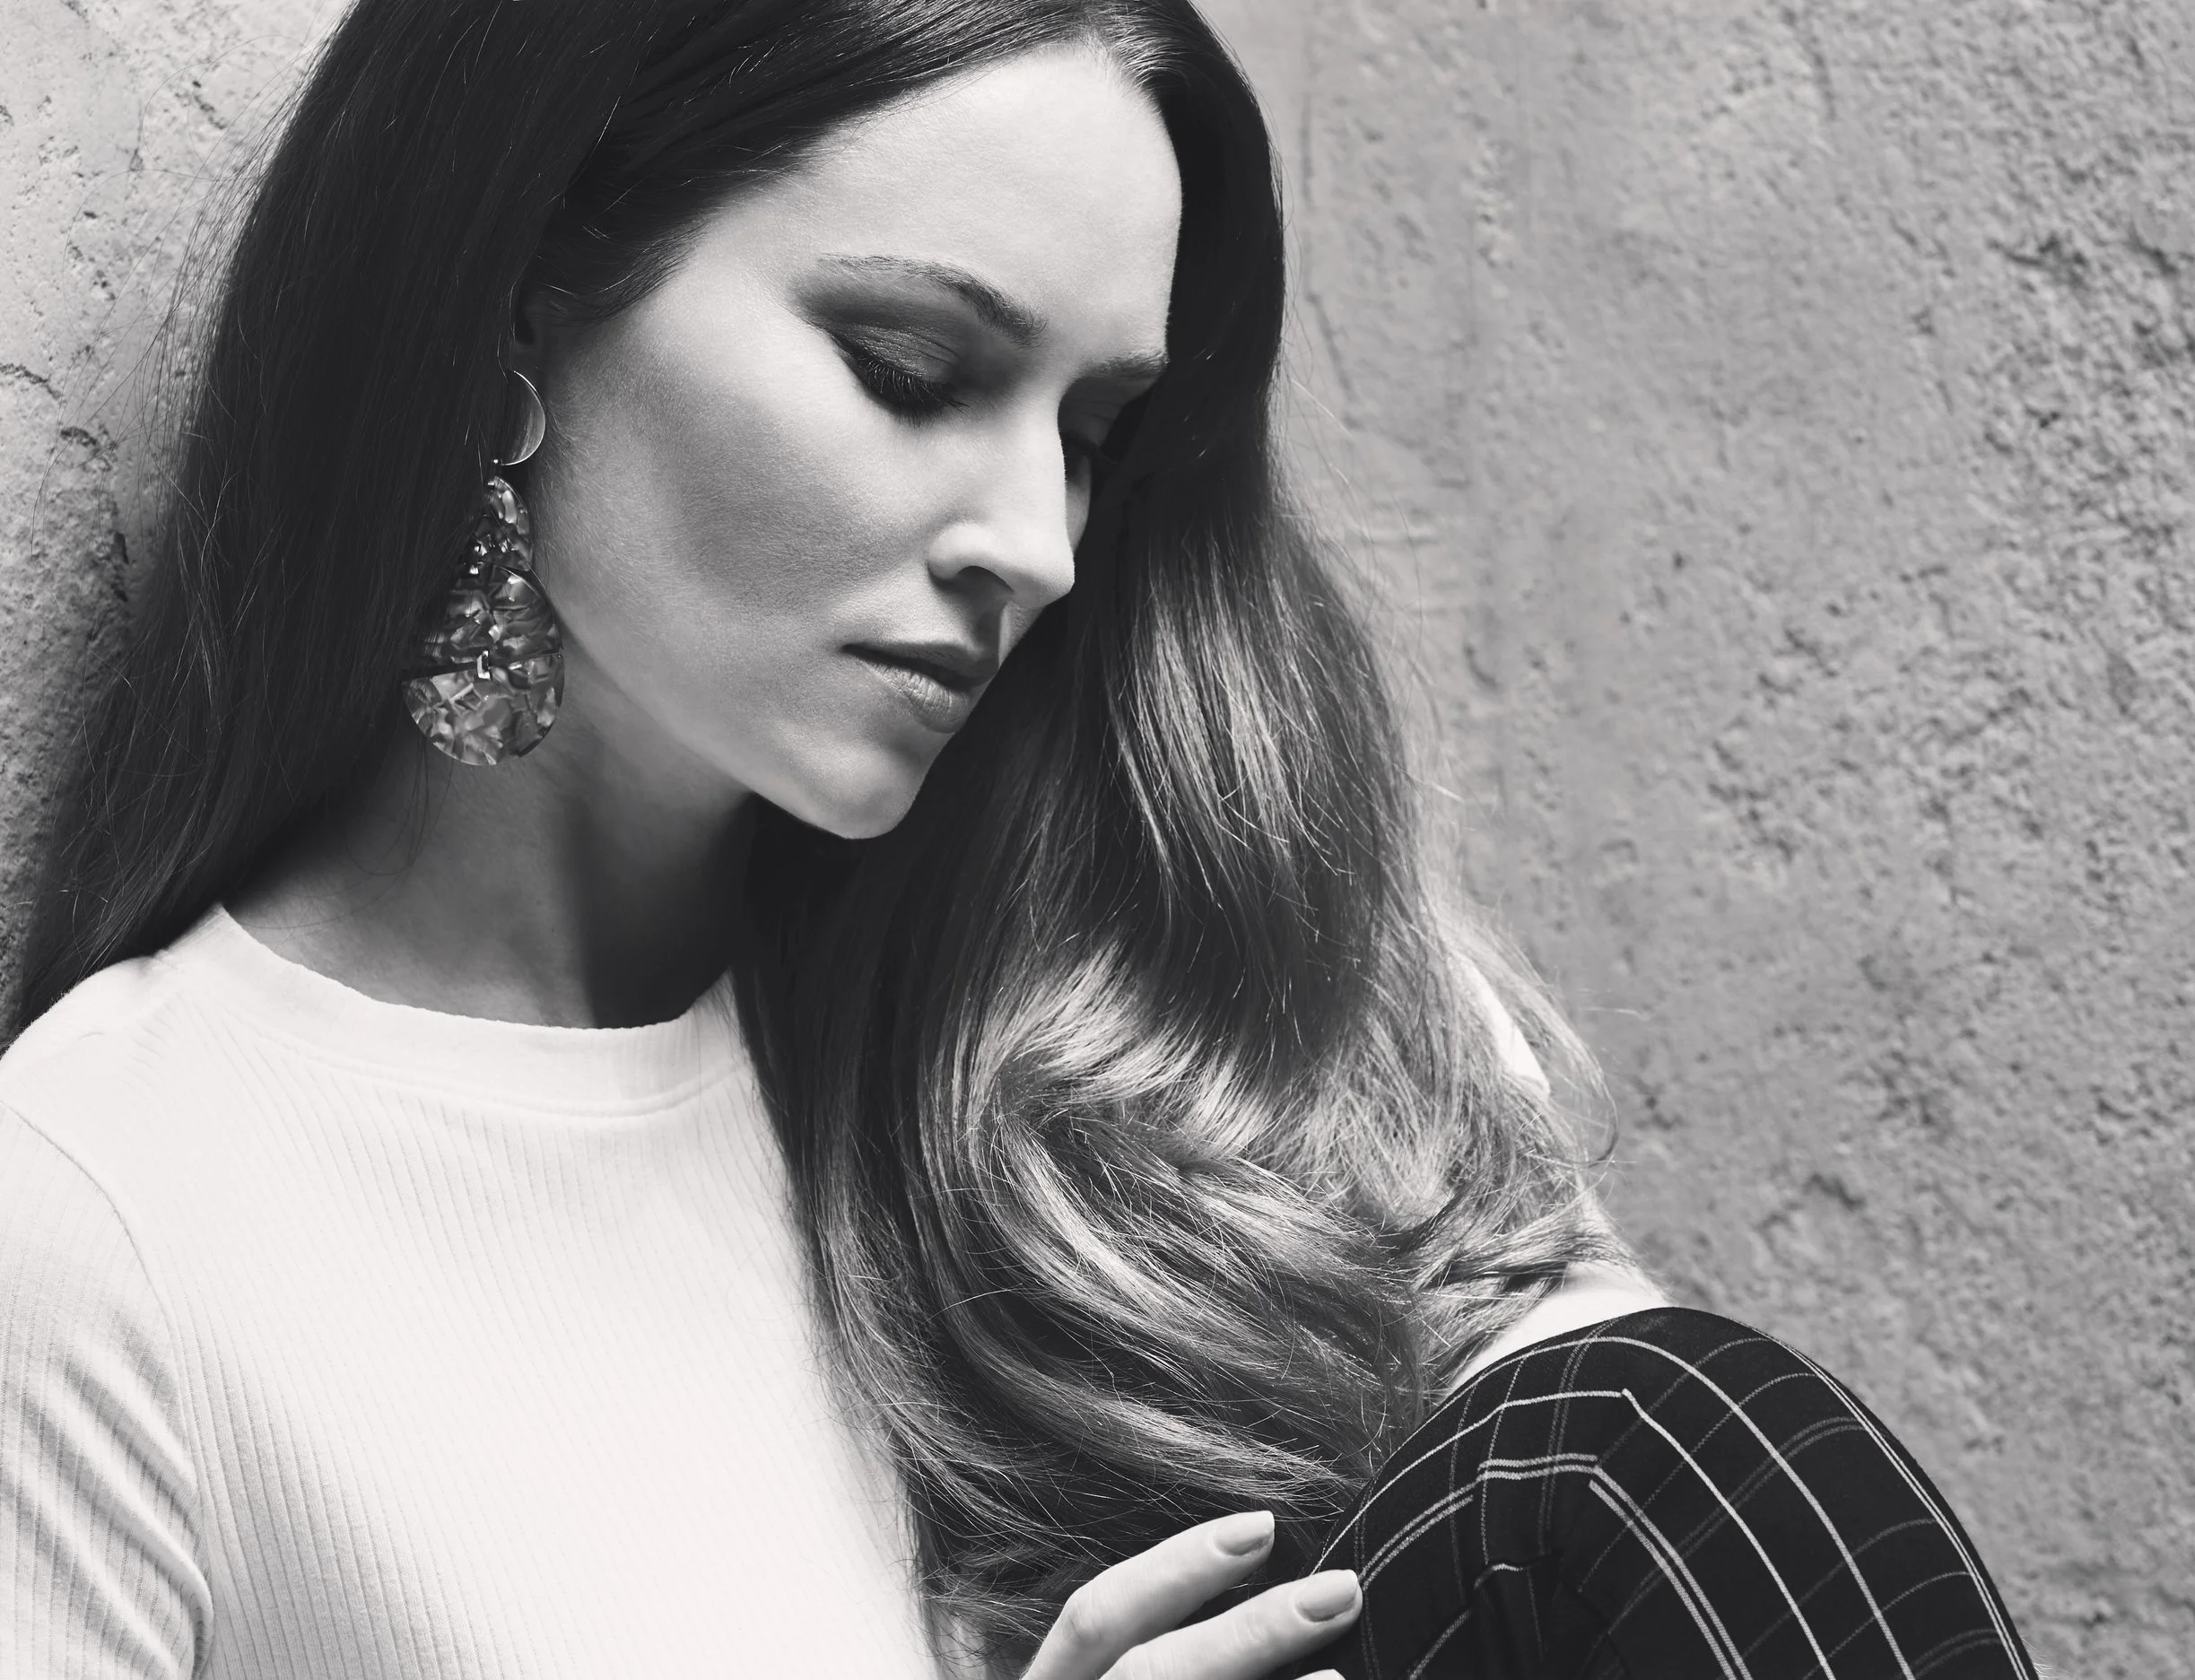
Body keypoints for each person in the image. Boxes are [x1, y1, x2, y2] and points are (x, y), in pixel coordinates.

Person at [0, 1, 2039, 1676]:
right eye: (913, 371)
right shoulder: (109, 1224)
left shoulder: (1145, 984)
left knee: (1629, 1445)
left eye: (1090, 436)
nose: (1039, 547)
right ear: (512, 316)